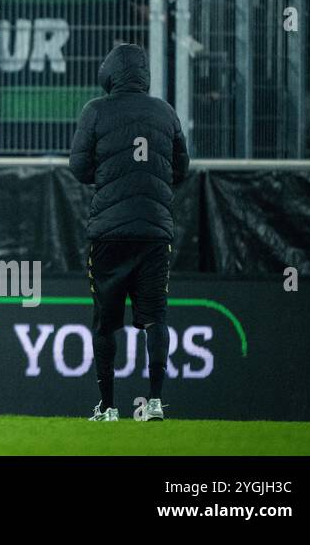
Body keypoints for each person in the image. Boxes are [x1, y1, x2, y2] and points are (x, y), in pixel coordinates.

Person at [69, 43, 190, 422]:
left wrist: (106, 178)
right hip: (154, 232)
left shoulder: (96, 111)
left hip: (109, 234)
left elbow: (78, 167)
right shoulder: (165, 112)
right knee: (155, 317)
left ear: (109, 74)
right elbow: (181, 169)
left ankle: (107, 407)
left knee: (106, 323)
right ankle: (154, 402)